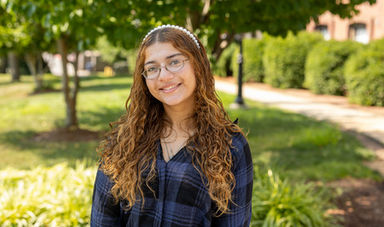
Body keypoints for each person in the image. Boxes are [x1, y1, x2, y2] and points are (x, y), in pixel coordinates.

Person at [91, 24, 253, 227]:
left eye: (174, 62)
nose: (164, 76)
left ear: (198, 64)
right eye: (152, 68)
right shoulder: (124, 142)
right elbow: (103, 219)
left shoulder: (231, 146)